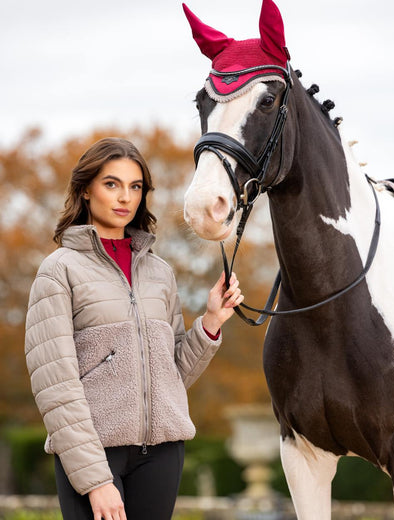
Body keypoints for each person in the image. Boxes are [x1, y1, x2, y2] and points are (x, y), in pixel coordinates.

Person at [24, 137, 243, 520]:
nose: (125, 196)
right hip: (94, 452)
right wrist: (95, 480)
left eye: (135, 186)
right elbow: (55, 387)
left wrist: (210, 322)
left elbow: (171, 375)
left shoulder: (161, 273)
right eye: (112, 184)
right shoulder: (59, 271)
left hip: (162, 454)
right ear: (85, 191)